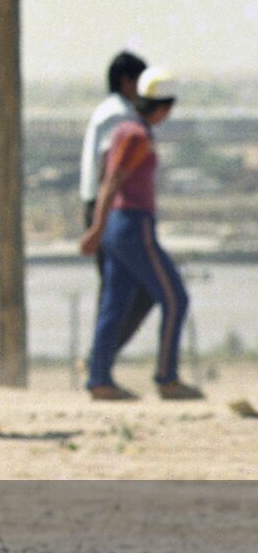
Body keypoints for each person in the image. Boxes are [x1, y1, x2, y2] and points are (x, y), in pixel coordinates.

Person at [81, 67, 201, 401]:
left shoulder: (123, 130)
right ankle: (167, 377)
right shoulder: (136, 135)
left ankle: (99, 378)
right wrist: (96, 228)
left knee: (114, 305)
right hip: (133, 224)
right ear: (163, 107)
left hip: (120, 226)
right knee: (175, 298)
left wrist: (100, 227)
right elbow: (113, 181)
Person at [79, 51, 154, 357]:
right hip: (110, 209)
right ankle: (99, 360)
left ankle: (99, 365)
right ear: (127, 82)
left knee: (116, 292)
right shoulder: (119, 115)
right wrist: (102, 221)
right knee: (140, 289)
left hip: (101, 207)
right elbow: (108, 170)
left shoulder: (110, 110)